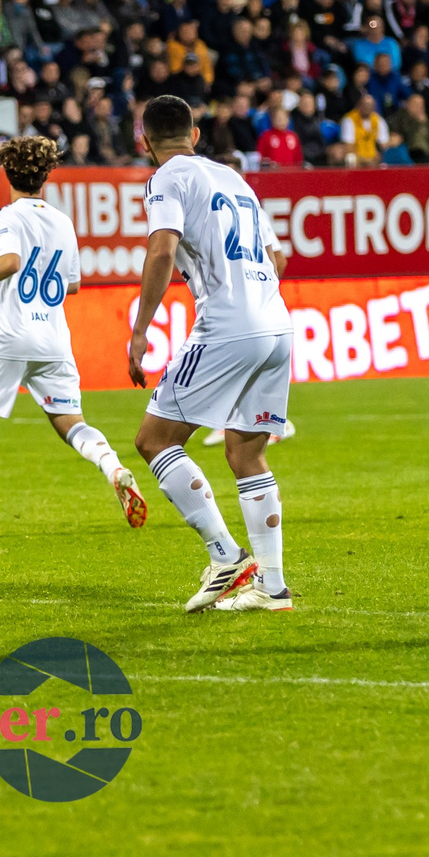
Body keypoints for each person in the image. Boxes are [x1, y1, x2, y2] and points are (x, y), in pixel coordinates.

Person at [124, 94, 295, 613]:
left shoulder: (167, 178)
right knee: (246, 454)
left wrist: (140, 330)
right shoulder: (235, 179)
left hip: (227, 325)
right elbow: (278, 258)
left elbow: (162, 248)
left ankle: (225, 556)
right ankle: (272, 588)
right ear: (195, 135)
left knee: (154, 440)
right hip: (276, 323)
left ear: (144, 141)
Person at [0, 135, 147, 533]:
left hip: (8, 335)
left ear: (7, 173)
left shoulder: (6, 216)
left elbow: (10, 262)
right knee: (70, 420)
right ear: (46, 175)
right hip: (53, 338)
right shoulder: (62, 221)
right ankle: (112, 466)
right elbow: (73, 284)